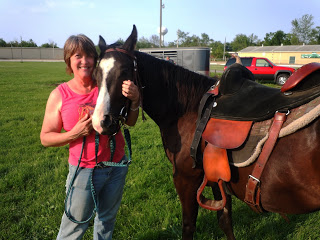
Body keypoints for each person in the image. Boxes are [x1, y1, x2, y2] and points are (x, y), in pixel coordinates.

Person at [40, 34, 140, 240]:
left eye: (89, 56)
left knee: (106, 222)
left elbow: (130, 122)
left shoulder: (106, 85)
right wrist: (73, 134)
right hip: (84, 171)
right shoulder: (60, 95)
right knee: (73, 228)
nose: (84, 61)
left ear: (96, 60)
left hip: (116, 167)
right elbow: (45, 137)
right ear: (69, 60)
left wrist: (136, 99)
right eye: (78, 56)